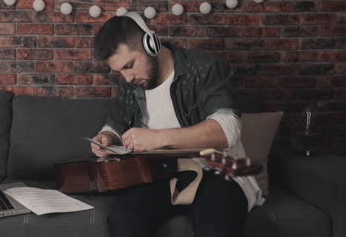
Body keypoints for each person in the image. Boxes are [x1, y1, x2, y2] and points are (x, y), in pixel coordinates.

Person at [90, 12, 264, 237]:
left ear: (151, 43)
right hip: (160, 176)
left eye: (129, 65)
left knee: (216, 226)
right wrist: (106, 137)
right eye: (120, 71)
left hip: (218, 173)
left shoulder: (204, 67)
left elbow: (227, 129)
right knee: (123, 219)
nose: (127, 78)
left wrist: (157, 137)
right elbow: (116, 123)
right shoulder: (130, 85)